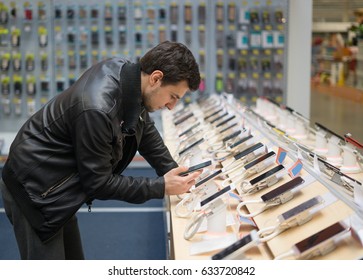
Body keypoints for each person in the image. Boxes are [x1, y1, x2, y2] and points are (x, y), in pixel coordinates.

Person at [0, 41, 201, 260]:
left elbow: (144, 128)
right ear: (155, 78)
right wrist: (160, 187)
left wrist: (177, 173)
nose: (172, 106)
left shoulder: (129, 77)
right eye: (173, 96)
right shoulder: (97, 108)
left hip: (58, 184)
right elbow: (98, 183)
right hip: (33, 188)